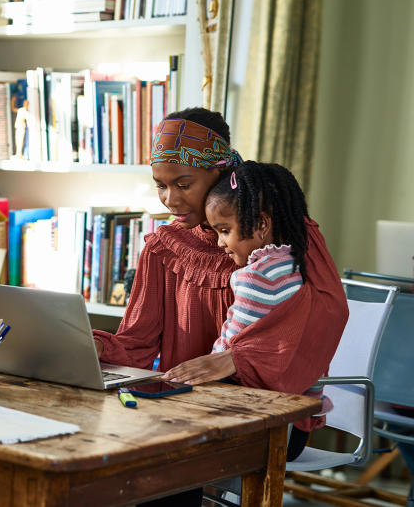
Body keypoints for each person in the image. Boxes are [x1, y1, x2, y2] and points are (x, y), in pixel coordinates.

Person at [90, 108, 348, 506]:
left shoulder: (283, 230)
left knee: (159, 461)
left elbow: (327, 313)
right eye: (160, 185)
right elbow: (137, 344)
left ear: (221, 172)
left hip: (271, 415)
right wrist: (87, 346)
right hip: (189, 408)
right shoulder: (164, 247)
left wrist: (235, 359)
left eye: (184, 183)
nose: (170, 199)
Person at [166, 161, 328, 460]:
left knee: (168, 441)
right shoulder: (300, 263)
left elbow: (231, 349)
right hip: (298, 426)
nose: (221, 243)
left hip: (269, 426)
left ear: (262, 225)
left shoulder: (258, 274)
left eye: (225, 231)